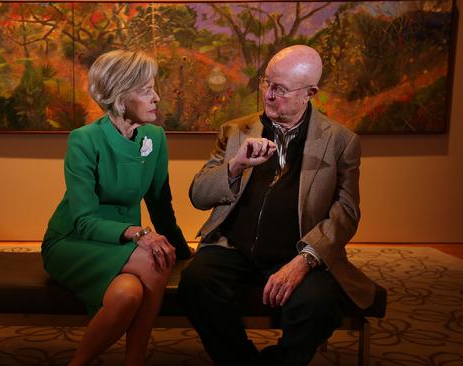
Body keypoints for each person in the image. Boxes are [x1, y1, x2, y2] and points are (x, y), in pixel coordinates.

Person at [178, 45, 377, 365]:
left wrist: (305, 259)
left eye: (280, 89)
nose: (268, 95)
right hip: (232, 247)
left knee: (320, 305)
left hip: (298, 250)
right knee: (196, 284)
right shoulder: (235, 131)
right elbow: (198, 196)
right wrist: (235, 166)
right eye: (266, 83)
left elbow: (347, 210)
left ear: (309, 92)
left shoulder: (340, 141)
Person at [41, 49, 192, 366]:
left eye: (154, 88)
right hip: (74, 241)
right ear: (121, 98)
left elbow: (160, 202)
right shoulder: (84, 140)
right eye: (146, 90)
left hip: (127, 244)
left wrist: (181, 248)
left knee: (128, 294)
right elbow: (83, 221)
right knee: (153, 261)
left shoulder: (155, 137)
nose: (157, 97)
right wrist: (138, 233)